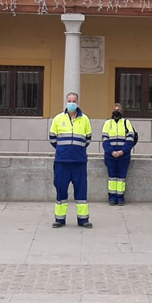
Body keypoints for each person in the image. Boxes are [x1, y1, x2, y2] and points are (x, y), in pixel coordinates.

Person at [49, 92, 93, 228]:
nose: (72, 103)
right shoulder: (58, 118)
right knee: (61, 189)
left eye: (74, 100)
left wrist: (76, 149)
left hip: (79, 162)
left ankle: (83, 220)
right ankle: (60, 219)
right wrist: (64, 150)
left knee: (81, 190)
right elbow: (52, 138)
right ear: (66, 102)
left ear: (78, 102)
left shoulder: (85, 119)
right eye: (69, 100)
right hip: (62, 162)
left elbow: (88, 139)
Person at [101, 103, 135, 206]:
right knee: (112, 177)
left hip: (123, 156)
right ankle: (112, 197)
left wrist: (122, 151)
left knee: (121, 178)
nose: (117, 111)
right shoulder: (107, 123)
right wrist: (111, 152)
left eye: (119, 109)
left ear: (122, 111)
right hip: (110, 156)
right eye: (115, 109)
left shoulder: (126, 123)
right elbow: (105, 140)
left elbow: (130, 139)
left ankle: (120, 197)